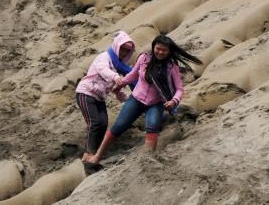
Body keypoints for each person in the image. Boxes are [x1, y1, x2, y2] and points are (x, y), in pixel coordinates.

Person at [83, 35, 202, 163]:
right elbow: (133, 75)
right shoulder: (144, 58)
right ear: (153, 47)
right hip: (136, 99)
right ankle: (97, 157)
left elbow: (179, 89)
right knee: (118, 126)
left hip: (156, 104)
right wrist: (120, 83)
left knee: (152, 127)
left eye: (164, 50)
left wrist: (174, 101)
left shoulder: (171, 67)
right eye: (158, 49)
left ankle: (147, 160)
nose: (160, 52)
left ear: (169, 52)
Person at [74, 31, 135, 173]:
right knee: (94, 122)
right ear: (116, 46)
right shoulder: (104, 57)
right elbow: (103, 70)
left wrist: (125, 97)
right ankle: (89, 154)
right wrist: (115, 77)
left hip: (99, 97)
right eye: (122, 49)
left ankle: (92, 154)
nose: (124, 53)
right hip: (86, 93)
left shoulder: (118, 66)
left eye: (127, 51)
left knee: (103, 123)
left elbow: (117, 88)